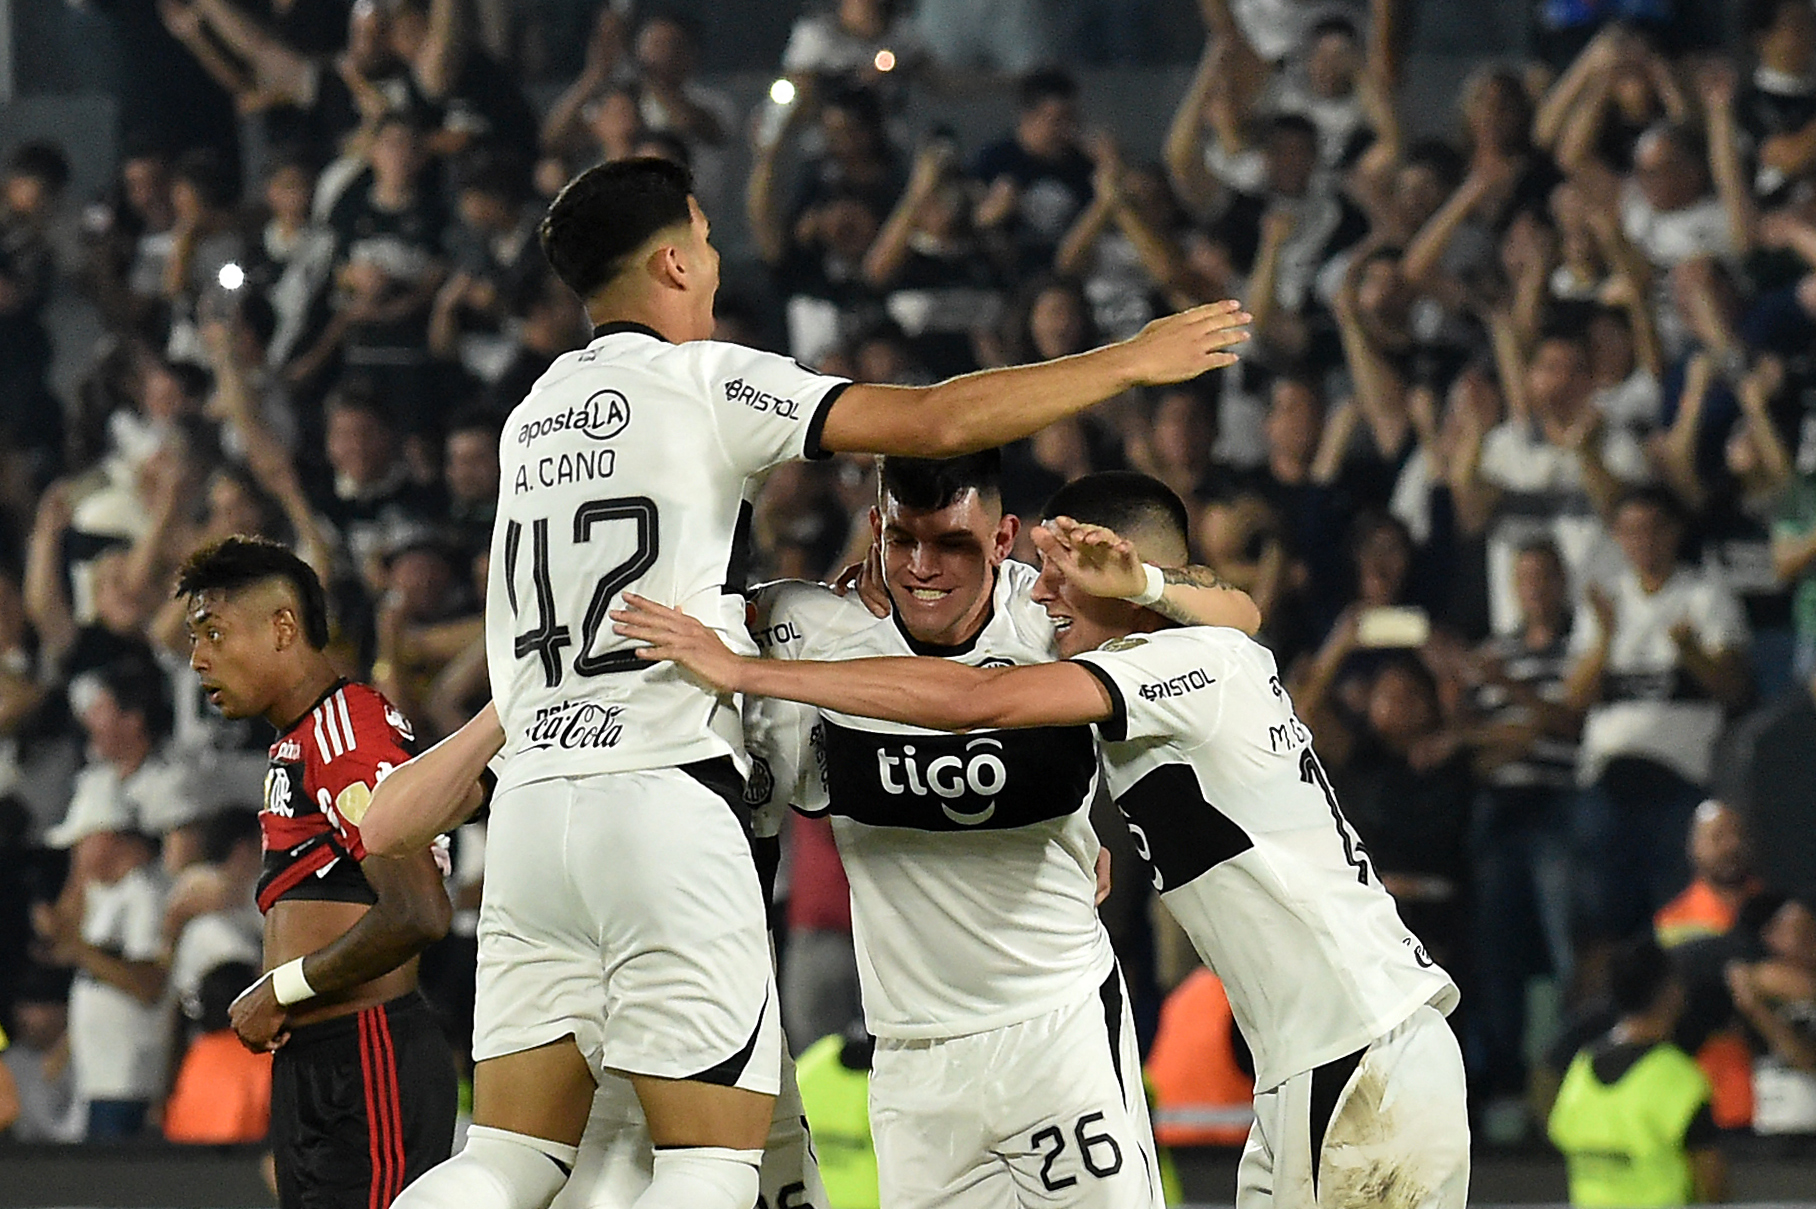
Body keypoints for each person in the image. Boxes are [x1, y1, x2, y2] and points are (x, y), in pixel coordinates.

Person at [388, 155, 1248, 1209]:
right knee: (709, 1165)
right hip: (660, 793)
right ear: (670, 260)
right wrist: (1129, 361)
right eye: (704, 243)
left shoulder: (531, 418)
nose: (713, 262)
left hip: (527, 811)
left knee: (506, 1158)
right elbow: (932, 423)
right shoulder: (705, 386)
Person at [612, 471, 1469, 1209]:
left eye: (1065, 576)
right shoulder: (1210, 651)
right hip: (1307, 1061)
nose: (1045, 595)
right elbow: (1234, 606)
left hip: (1360, 1050)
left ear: (1125, 576)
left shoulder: (1180, 668)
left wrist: (747, 671)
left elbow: (974, 704)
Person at [745, 452, 1257, 1209]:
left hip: (1056, 1027)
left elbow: (1234, 623)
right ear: (877, 533)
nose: (924, 567)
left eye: (952, 543)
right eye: (904, 541)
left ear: (1002, 537)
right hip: (914, 1056)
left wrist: (1140, 582)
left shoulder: (1050, 617)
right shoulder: (814, 627)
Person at [174, 536, 460, 1208]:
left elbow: (419, 910)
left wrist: (284, 988)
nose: (198, 659)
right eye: (194, 637)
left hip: (369, 1059)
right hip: (324, 1064)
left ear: (283, 626)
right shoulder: (300, 738)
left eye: (214, 632)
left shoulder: (346, 729)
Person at [1547, 937, 1727, 1207]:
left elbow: (1560, 1130)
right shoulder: (1677, 1077)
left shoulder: (1580, 1069)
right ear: (1671, 993)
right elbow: (1711, 1182)